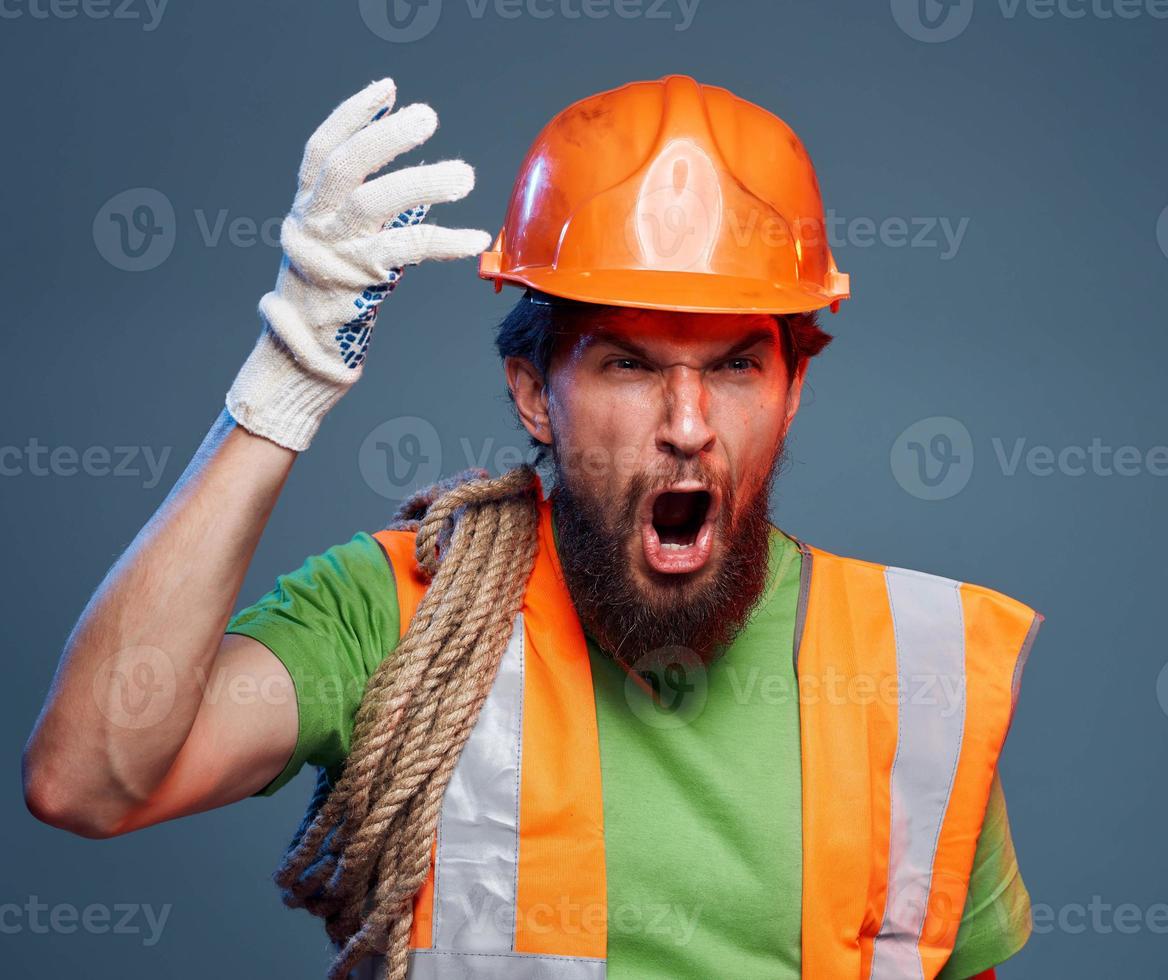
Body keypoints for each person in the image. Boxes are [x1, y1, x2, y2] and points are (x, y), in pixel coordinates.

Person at [24, 75, 1041, 980]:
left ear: (793, 388)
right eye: (628, 364)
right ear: (534, 392)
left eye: (735, 364)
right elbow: (88, 779)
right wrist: (283, 385)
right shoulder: (404, 612)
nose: (688, 428)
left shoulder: (915, 669)